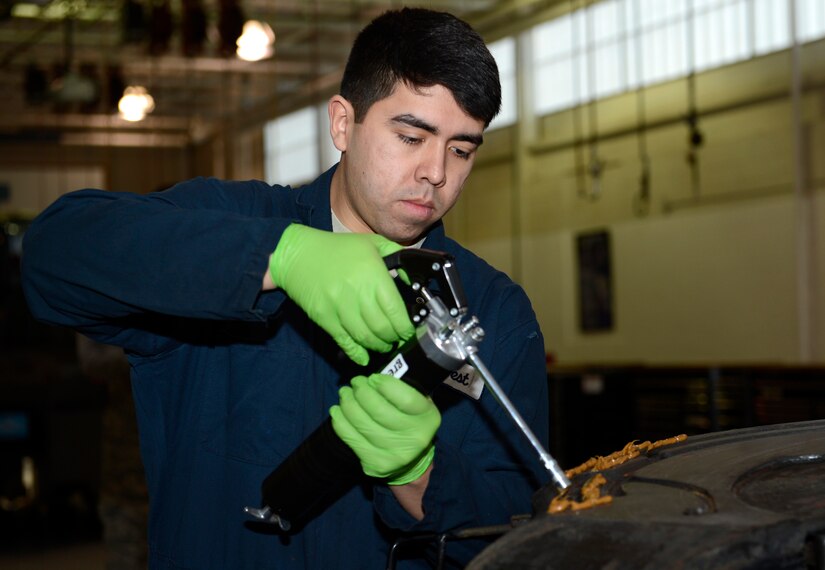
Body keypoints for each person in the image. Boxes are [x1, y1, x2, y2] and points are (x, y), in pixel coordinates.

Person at [21, 7, 549, 569]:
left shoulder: (497, 313)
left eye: (461, 149)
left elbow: (521, 535)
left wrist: (420, 477)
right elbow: (53, 256)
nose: (436, 172)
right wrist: (275, 257)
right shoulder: (232, 219)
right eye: (411, 136)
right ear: (343, 124)